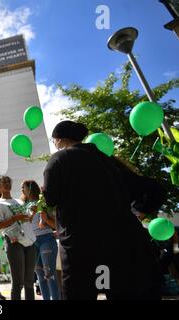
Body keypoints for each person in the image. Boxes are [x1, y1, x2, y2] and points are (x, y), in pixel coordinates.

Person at [43, 120, 164, 300]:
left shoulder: (59, 159)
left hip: (82, 247)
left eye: (54, 141)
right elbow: (155, 189)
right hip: (122, 245)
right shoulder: (108, 161)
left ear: (59, 139)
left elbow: (51, 198)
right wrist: (139, 212)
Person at [0, 176, 36, 300]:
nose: (7, 184)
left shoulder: (20, 202)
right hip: (14, 242)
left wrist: (33, 213)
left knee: (29, 282)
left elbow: (28, 220)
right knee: (18, 283)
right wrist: (14, 218)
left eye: (8, 182)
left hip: (29, 242)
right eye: (3, 182)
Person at [20, 180, 60, 300]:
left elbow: (56, 225)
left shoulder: (43, 202)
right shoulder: (23, 205)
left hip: (46, 239)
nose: (22, 190)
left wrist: (45, 220)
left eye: (24, 187)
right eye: (21, 188)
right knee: (40, 276)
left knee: (49, 274)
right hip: (32, 242)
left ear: (30, 188)